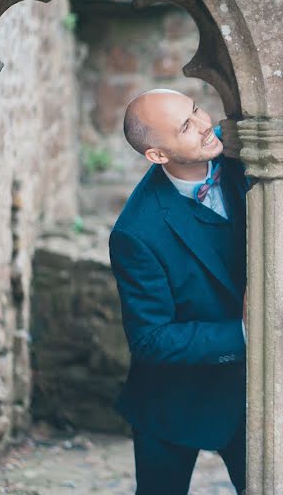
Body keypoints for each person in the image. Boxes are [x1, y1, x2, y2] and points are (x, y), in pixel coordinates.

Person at [109, 89, 250, 495]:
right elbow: (151, 339)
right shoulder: (136, 231)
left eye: (196, 109)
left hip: (252, 389)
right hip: (174, 401)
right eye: (187, 126)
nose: (205, 125)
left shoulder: (240, 148)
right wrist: (244, 332)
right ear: (157, 155)